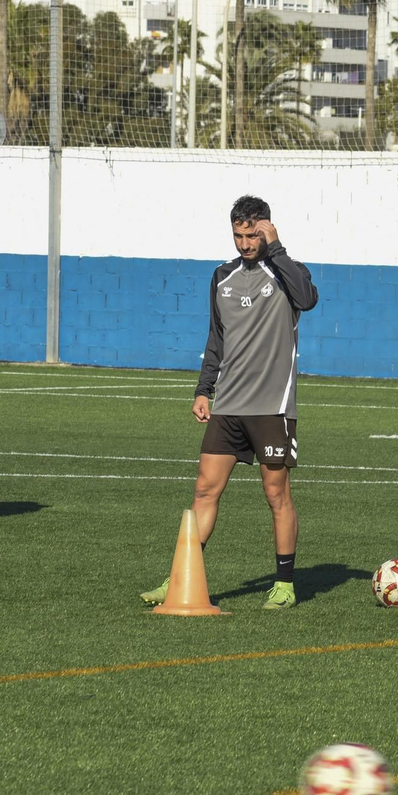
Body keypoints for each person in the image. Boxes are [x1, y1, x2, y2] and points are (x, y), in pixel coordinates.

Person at [140, 195, 318, 609]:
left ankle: (285, 584)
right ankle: (178, 577)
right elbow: (216, 338)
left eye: (252, 235)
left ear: (267, 229)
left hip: (272, 407)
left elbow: (308, 299)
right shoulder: (222, 276)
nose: (244, 244)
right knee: (204, 489)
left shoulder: (288, 272)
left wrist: (277, 249)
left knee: (276, 494)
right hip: (228, 406)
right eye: (238, 236)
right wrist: (204, 389)